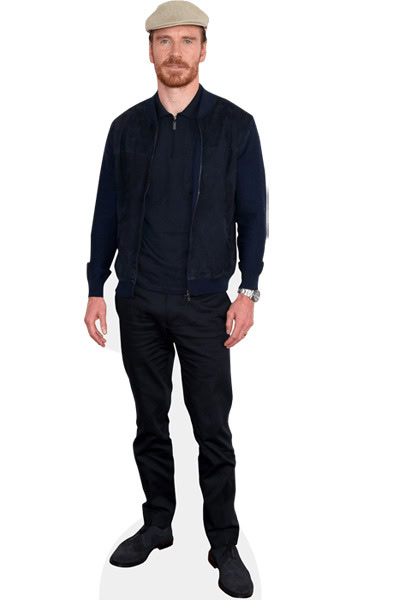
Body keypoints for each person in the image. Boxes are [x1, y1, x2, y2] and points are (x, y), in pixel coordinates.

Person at [82, 1, 267, 597]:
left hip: (205, 304)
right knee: (149, 423)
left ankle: (223, 542)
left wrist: (248, 290)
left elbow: (252, 216)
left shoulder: (235, 126)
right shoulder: (126, 129)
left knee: (212, 429)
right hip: (138, 302)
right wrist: (96, 287)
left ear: (204, 50)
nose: (176, 52)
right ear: (150, 51)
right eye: (164, 41)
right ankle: (158, 523)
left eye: (187, 41)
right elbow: (106, 212)